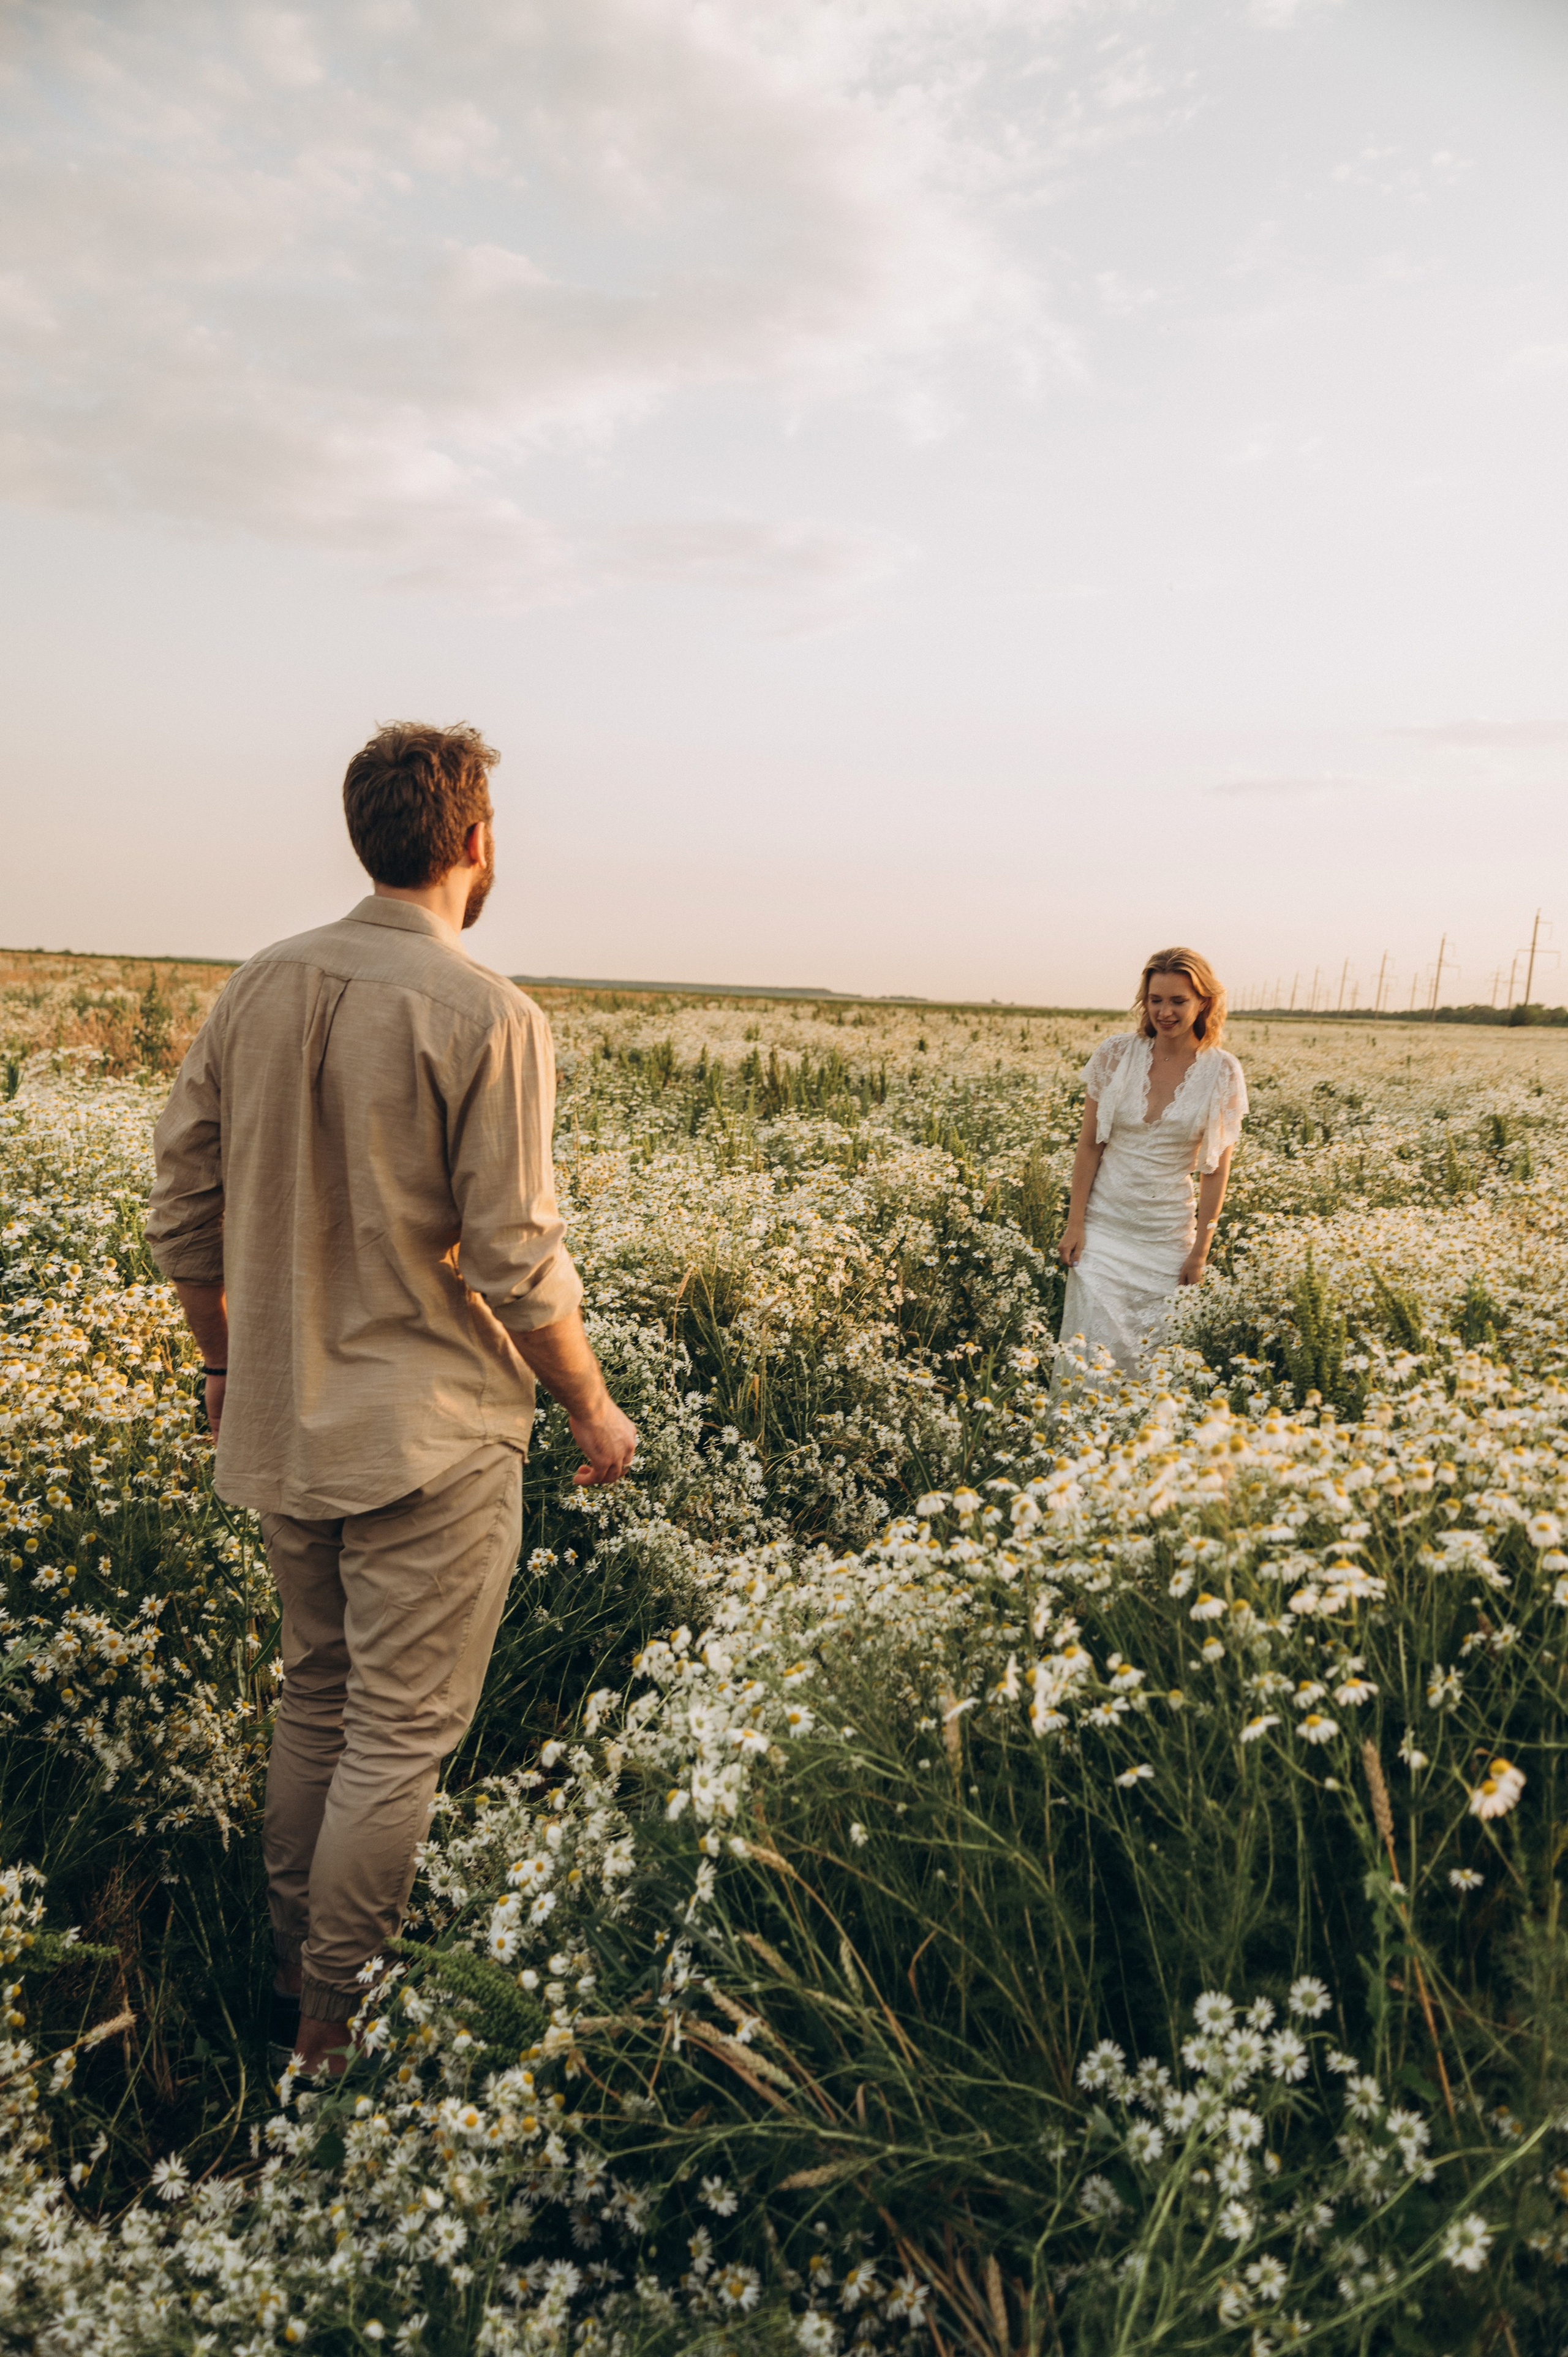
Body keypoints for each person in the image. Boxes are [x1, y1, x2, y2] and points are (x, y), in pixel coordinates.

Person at [145, 721, 636, 2077]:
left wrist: (226, 1364)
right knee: (398, 1736)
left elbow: (181, 1211)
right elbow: (516, 1257)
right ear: (476, 840)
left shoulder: (256, 983)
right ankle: (332, 2023)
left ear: (364, 834)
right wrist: (591, 1407)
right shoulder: (488, 1012)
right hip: (430, 1429)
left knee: (318, 1698)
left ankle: (285, 1974)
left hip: (285, 1417)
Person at [1055, 946, 1246, 1382]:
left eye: (1178, 1000)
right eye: (1155, 999)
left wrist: (1200, 1252)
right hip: (1102, 1231)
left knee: (1153, 1362)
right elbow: (1089, 1145)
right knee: (1088, 1355)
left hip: (1166, 1238)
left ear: (1204, 1002)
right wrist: (1075, 1223)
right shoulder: (1115, 1055)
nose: (1165, 1012)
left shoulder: (1222, 1071)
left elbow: (1216, 1170)